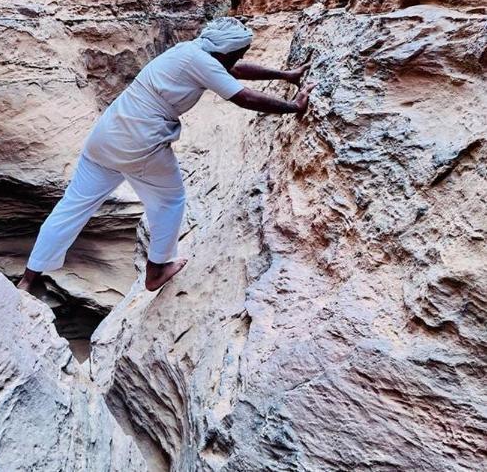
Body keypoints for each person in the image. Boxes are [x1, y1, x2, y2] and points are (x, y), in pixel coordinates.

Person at [18, 17, 314, 294]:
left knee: (72, 207)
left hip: (105, 136)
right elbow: (242, 96)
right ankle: (156, 270)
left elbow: (234, 70)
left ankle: (29, 278)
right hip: (140, 143)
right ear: (226, 51)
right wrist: (293, 107)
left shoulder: (192, 51)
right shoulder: (202, 61)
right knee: (170, 201)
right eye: (239, 52)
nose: (239, 58)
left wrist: (284, 75)